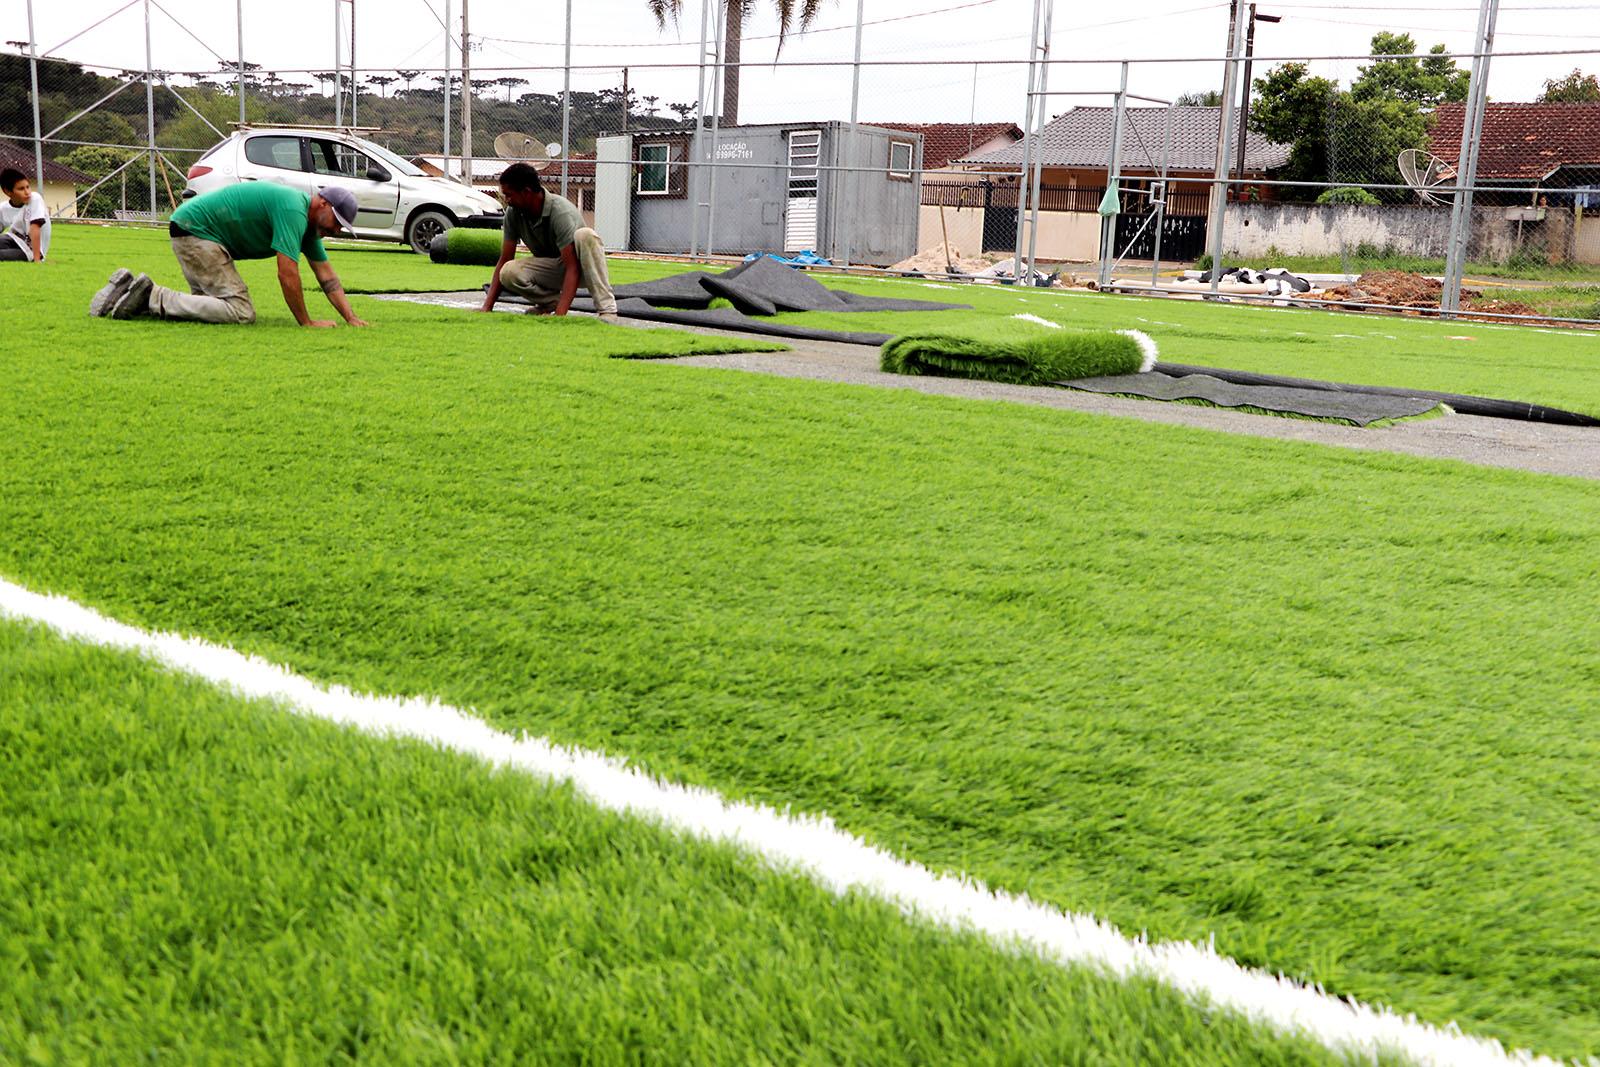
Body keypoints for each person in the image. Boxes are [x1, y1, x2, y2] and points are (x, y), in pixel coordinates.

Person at [89, 183, 370, 327]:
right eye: (335, 221)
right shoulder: (293, 209)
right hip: (196, 233)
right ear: (322, 202)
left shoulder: (308, 228)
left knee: (207, 308)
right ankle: (150, 296)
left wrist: (351, 317)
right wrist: (306, 323)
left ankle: (126, 291)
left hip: (195, 232)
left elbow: (326, 276)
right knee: (240, 312)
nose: (336, 230)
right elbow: (287, 273)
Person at [480, 162, 618, 324]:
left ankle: (607, 310)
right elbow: (505, 259)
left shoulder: (561, 211)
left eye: (509, 195)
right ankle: (550, 302)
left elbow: (572, 267)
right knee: (508, 272)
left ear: (526, 192)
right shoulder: (513, 213)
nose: (507, 200)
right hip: (556, 270)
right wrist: (487, 307)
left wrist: (559, 317)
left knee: (585, 235)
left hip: (583, 269)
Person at [0, 168, 50, 263]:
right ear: (7, 192)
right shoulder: (3, 208)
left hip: (30, 250)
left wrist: (37, 260)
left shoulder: (35, 199)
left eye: (28, 187)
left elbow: (35, 228)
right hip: (13, 239)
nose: (27, 192)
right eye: (21, 189)